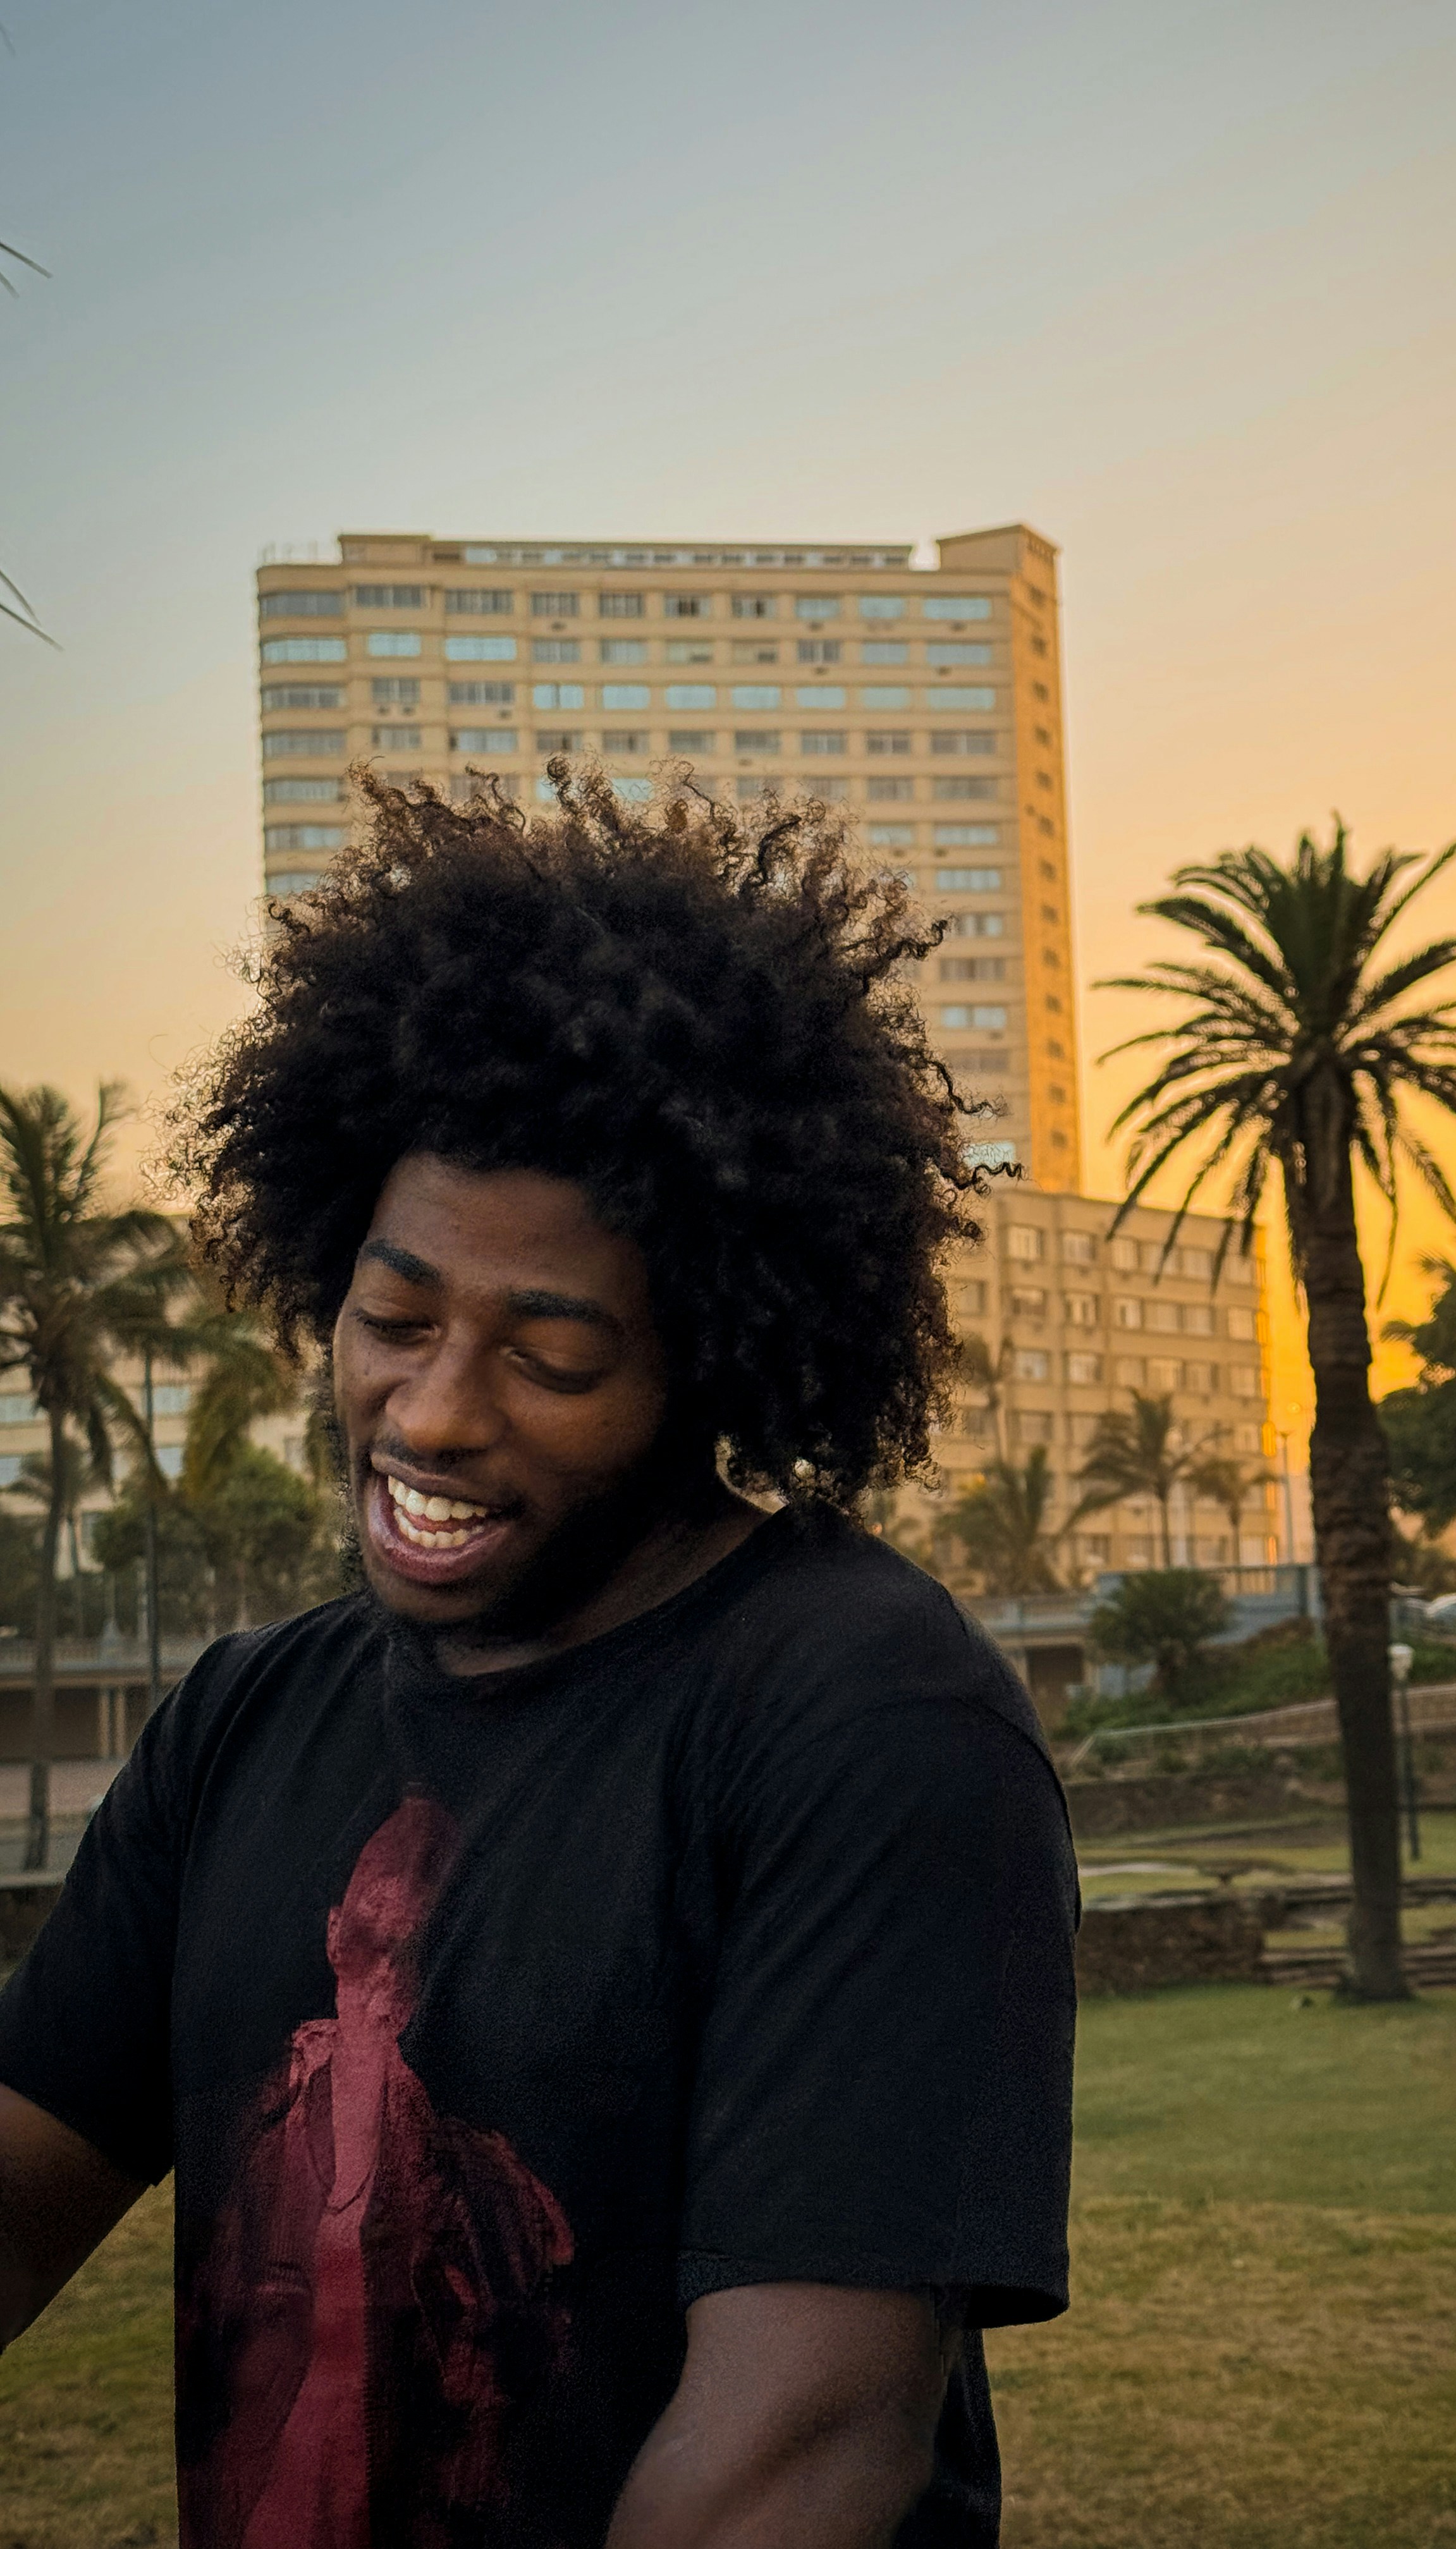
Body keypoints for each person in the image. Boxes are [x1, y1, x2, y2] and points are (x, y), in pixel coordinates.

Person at [0, 770, 1077, 2549]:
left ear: (711, 1366)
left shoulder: (872, 1722)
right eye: (394, 1318)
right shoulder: (242, 1723)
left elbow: (795, 2459)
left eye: (550, 1358)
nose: (430, 1413)